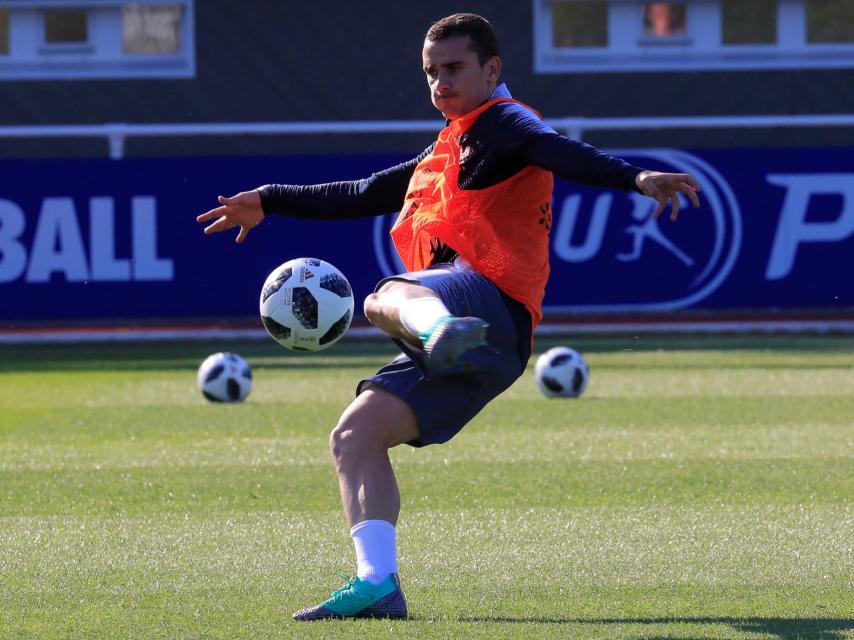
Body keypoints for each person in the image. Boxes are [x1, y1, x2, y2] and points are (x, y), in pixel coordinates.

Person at [196, 12, 700, 621]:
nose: (440, 82)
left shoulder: (506, 123)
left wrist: (636, 177)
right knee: (354, 437)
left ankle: (439, 335)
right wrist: (270, 200)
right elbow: (363, 192)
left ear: (492, 69)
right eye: (431, 72)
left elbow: (560, 151)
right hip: (475, 343)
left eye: (454, 68)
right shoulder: (447, 148)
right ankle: (377, 584)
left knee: (383, 295)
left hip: (490, 307)